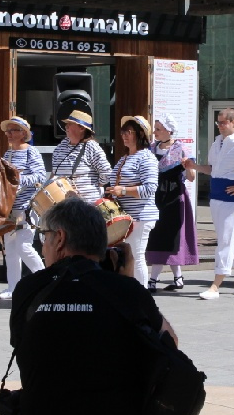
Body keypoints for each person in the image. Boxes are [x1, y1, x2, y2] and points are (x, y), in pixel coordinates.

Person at [8, 198, 183, 415]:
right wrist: (127, 282)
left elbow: (27, 347)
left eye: (44, 237)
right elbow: (171, 346)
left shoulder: (27, 289)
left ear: (60, 238)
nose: (43, 246)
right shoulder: (126, 291)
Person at [184, 108, 234, 299]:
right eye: (218, 123)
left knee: (225, 242)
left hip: (232, 200)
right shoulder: (217, 142)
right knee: (230, 241)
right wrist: (194, 166)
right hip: (216, 197)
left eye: (223, 122)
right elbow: (213, 169)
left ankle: (215, 285)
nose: (220, 126)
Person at [145, 114, 199, 292]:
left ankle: (153, 279)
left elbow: (191, 177)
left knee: (169, 236)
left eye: (158, 129)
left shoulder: (181, 148)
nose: (155, 132)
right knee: (158, 235)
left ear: (169, 130)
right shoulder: (151, 148)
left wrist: (188, 166)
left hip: (174, 197)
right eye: (155, 129)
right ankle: (178, 278)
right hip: (156, 196)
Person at [0, 116, 46, 300]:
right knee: (10, 249)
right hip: (9, 208)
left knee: (23, 246)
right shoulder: (7, 154)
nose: (8, 134)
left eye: (13, 130)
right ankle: (13, 287)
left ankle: (45, 281)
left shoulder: (31, 152)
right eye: (7, 131)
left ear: (23, 133)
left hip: (26, 207)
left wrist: (17, 180)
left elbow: (40, 176)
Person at [108, 115, 159, 289]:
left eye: (128, 132)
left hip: (140, 216)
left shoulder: (146, 158)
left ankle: (142, 295)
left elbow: (150, 188)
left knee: (136, 256)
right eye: (123, 132)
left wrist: (122, 190)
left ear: (140, 134)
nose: (124, 135)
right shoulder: (124, 158)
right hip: (126, 217)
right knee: (128, 257)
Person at [50, 110, 112, 204]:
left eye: (70, 124)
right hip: (63, 206)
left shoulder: (91, 147)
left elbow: (106, 173)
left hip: (87, 205)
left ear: (82, 128)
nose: (66, 126)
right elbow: (53, 173)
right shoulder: (60, 148)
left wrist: (92, 187)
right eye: (66, 124)